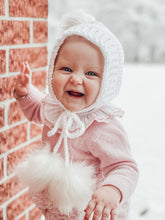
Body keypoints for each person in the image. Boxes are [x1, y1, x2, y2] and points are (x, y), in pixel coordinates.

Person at [14, 10, 138, 220]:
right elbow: (37, 110)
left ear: (107, 82)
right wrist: (25, 94)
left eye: (91, 73)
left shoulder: (103, 126)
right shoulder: (55, 108)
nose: (76, 79)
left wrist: (112, 190)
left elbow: (124, 166)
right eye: (66, 68)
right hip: (59, 210)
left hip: (92, 212)